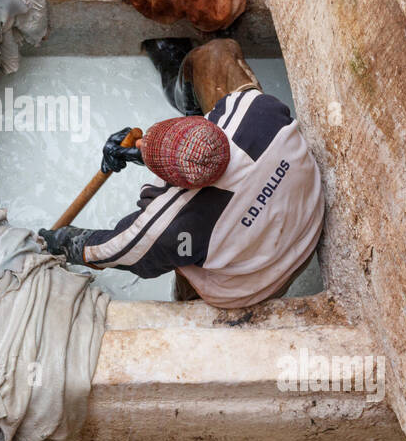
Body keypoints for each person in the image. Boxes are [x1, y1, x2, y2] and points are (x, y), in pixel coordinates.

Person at [39, 37, 324, 309]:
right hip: (309, 213)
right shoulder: (256, 109)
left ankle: (187, 303)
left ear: (173, 183)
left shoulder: (172, 226)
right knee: (215, 56)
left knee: (183, 261)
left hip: (261, 280)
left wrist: (58, 241)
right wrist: (142, 152)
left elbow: (112, 250)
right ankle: (181, 87)